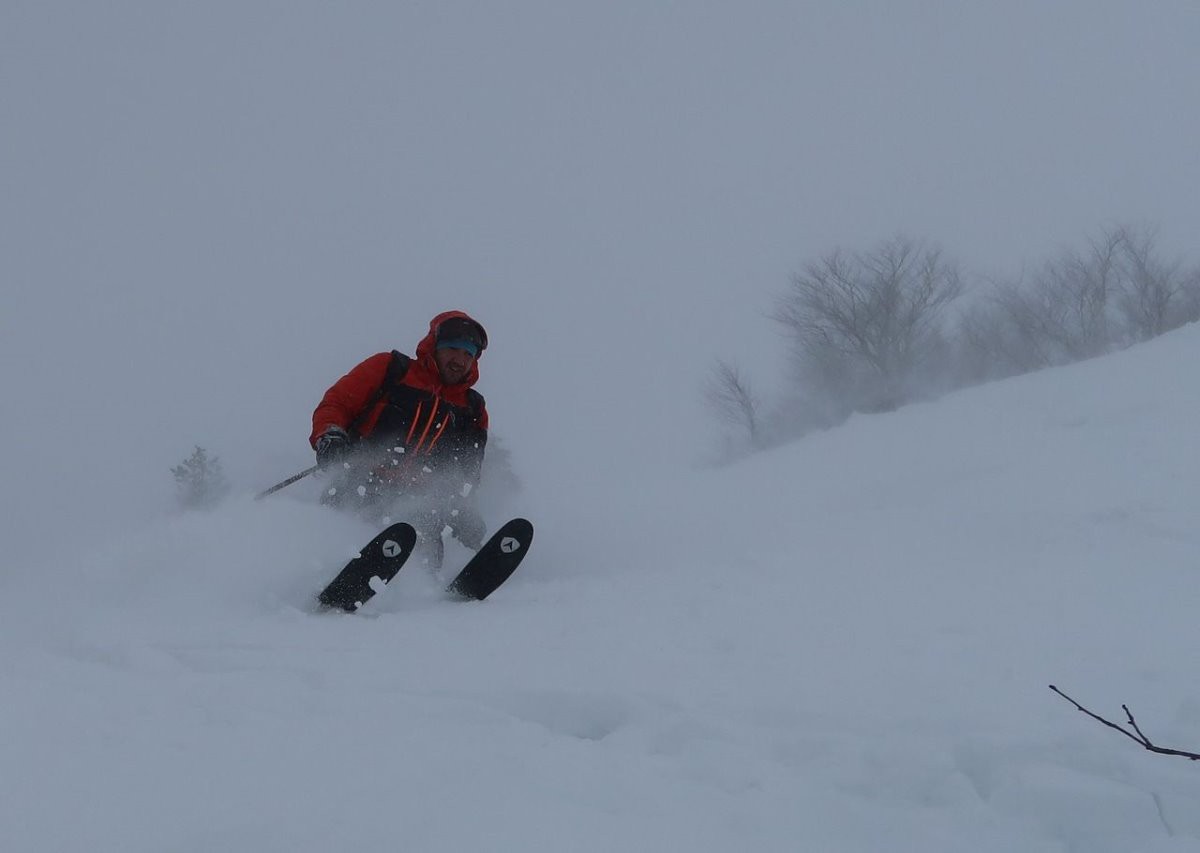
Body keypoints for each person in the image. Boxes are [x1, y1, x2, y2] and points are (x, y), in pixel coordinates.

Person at [309, 311, 490, 567]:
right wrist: (330, 436)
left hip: (419, 504)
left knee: (423, 533)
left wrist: (463, 509)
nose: (459, 360)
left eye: (468, 354)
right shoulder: (390, 370)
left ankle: (425, 589)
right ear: (434, 346)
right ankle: (325, 571)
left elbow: (466, 472)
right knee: (342, 532)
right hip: (359, 482)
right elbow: (336, 404)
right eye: (453, 349)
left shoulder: (472, 409)